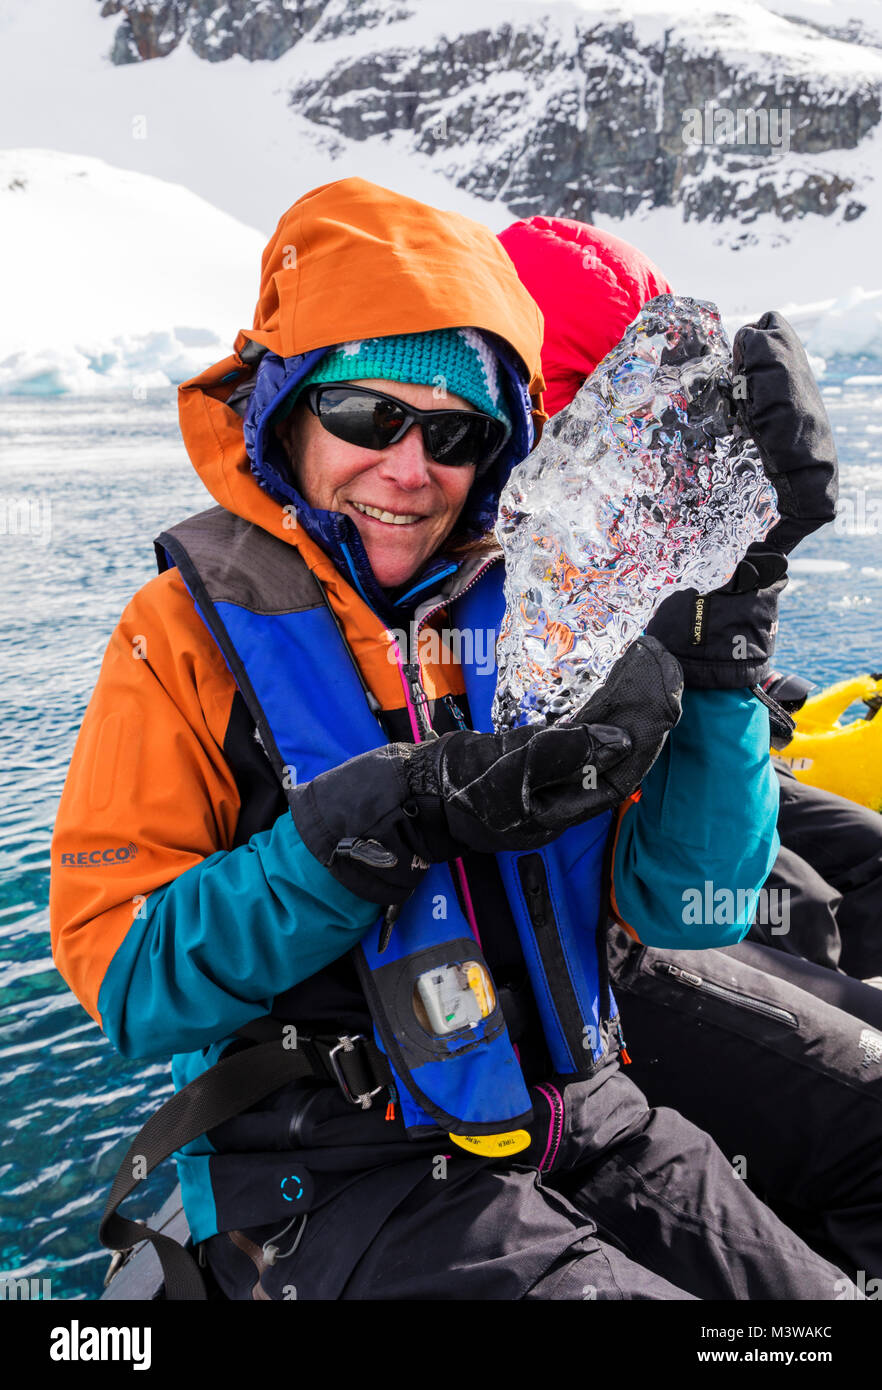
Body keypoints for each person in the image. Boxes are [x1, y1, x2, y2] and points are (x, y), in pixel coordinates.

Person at [51, 177, 855, 1301]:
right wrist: (375, 823)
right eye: (367, 416)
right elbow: (133, 982)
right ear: (288, 408)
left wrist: (721, 669)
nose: (409, 466)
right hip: (332, 1166)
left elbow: (695, 909)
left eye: (455, 433)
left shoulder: (551, 606)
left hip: (583, 1108)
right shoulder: (180, 634)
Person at [500, 211, 882, 1278]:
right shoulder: (494, 544)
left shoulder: (604, 518)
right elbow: (669, 889)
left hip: (646, 855)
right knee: (798, 912)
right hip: (581, 943)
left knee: (841, 869)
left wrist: (742, 621)